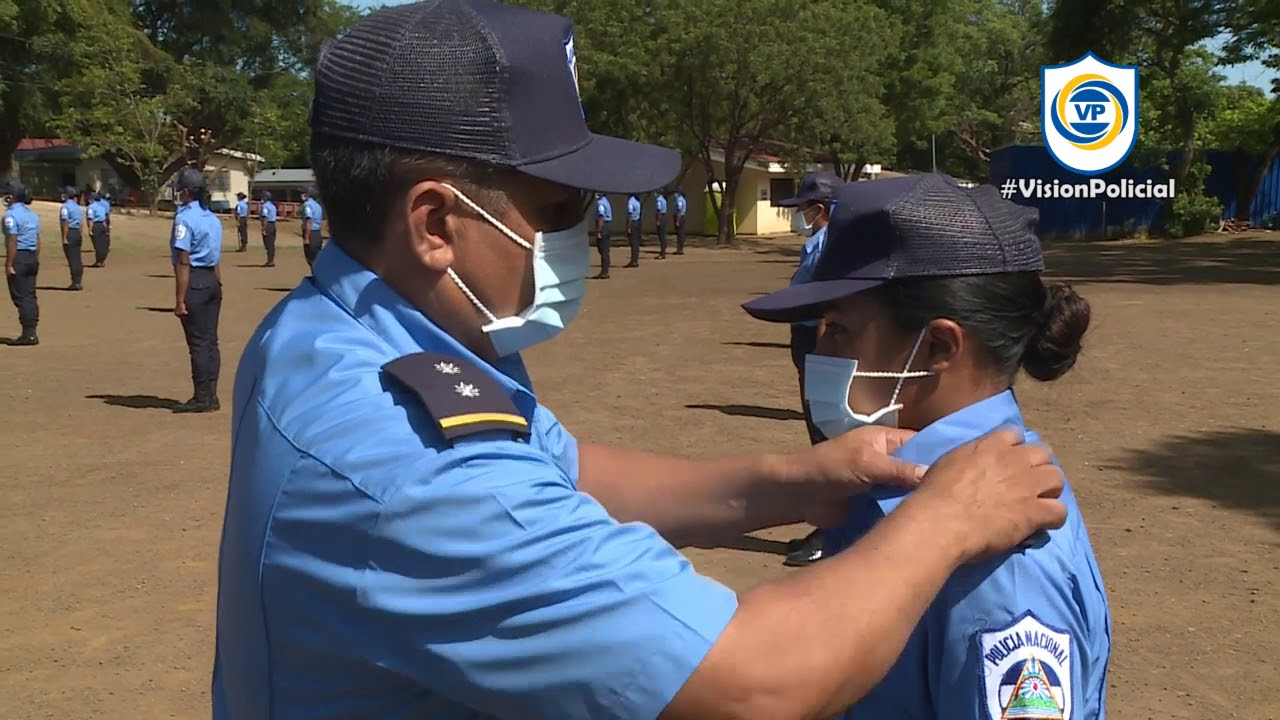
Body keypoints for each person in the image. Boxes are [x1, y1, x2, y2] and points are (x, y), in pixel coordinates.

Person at [212, 4, 1067, 719]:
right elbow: (757, 679)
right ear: (436, 223)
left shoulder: (341, 329)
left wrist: (800, 478)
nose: (581, 231)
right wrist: (947, 520)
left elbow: (569, 471)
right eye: (559, 206)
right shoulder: (409, 458)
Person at [743, 173, 1111, 720]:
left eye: (838, 329)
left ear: (938, 344)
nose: (819, 350)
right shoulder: (901, 488)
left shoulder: (998, 558)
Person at [774, 171, 842, 567]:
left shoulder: (826, 247)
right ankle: (835, 527)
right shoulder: (818, 243)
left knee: (827, 440)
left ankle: (833, 533)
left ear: (818, 210)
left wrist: (820, 355)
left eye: (801, 208)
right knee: (823, 435)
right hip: (811, 344)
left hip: (819, 345)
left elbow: (825, 304)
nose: (798, 215)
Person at [169, 168, 224, 413]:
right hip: (212, 279)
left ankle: (201, 396)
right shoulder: (212, 218)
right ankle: (211, 394)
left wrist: (180, 299)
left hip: (195, 280)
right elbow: (216, 256)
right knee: (211, 341)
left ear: (186, 191)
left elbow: (183, 260)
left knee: (199, 344)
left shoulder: (184, 219)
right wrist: (218, 284)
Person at [2, 179, 40, 345]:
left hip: (19, 258)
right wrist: (35, 259)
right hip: (31, 257)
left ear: (12, 196)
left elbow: (12, 240)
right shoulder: (32, 215)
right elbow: (37, 240)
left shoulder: (11, 216)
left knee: (21, 296)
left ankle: (28, 335)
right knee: (29, 295)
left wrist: (9, 263)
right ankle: (31, 331)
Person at [59, 186, 85, 290]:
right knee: (77, 257)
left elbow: (65, 222)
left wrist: (64, 237)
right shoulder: (77, 207)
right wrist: (79, 234)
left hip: (70, 232)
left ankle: (75, 282)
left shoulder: (65, 207)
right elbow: (81, 223)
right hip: (77, 233)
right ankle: (78, 280)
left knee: (72, 258)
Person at [300, 186, 325, 269]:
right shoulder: (318, 205)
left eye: (303, 193)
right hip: (317, 234)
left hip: (311, 233)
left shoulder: (307, 205)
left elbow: (309, 221)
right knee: (317, 259)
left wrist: (306, 238)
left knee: (311, 259)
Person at [87, 191, 109, 268]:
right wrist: (106, 229)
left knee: (97, 244)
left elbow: (90, 219)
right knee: (103, 244)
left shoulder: (91, 207)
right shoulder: (101, 207)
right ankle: (102, 260)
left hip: (96, 226)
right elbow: (104, 219)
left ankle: (98, 261)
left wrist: (90, 229)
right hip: (102, 226)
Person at [593, 191, 612, 279]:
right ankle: (606, 266)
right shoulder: (606, 201)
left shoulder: (600, 203)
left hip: (603, 226)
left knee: (603, 249)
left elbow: (601, 217)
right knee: (605, 249)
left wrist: (598, 231)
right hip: (608, 226)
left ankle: (604, 271)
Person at [259, 190, 278, 266]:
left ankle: (270, 261)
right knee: (272, 243)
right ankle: (271, 260)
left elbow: (265, 217)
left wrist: (263, 229)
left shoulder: (265, 206)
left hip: (268, 225)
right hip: (273, 225)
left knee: (268, 243)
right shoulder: (273, 206)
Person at [625, 191, 641, 267]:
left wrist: (628, 227)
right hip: (638, 222)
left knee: (633, 242)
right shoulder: (637, 201)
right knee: (636, 242)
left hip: (633, 223)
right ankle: (635, 259)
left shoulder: (630, 202)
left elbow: (630, 215)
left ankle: (633, 261)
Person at [673, 186, 687, 254]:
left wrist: (677, 221)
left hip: (680, 217)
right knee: (680, 233)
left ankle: (680, 249)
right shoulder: (682, 199)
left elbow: (679, 210)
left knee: (680, 233)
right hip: (681, 217)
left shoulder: (679, 200)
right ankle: (680, 249)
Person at [655, 188, 669, 259]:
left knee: (661, 236)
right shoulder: (664, 199)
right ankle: (663, 252)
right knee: (663, 236)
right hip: (664, 217)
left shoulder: (659, 200)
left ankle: (662, 253)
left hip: (661, 218)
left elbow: (658, 211)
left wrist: (658, 220)